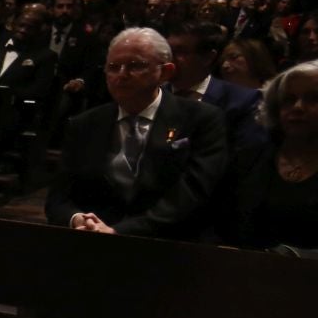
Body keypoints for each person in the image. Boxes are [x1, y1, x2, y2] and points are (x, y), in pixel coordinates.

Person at [46, 27, 228, 239]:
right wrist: (78, 219)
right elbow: (58, 199)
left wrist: (120, 232)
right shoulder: (85, 123)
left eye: (135, 66)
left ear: (166, 72)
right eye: (113, 67)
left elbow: (192, 194)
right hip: (94, 240)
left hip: (170, 244)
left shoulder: (202, 119)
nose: (121, 75)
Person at [219, 61, 318, 253]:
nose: (297, 107)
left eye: (313, 99)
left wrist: (292, 256)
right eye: (288, 100)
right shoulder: (248, 158)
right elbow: (220, 222)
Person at [167, 22, 264, 151]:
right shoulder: (152, 93)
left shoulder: (243, 101)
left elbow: (245, 159)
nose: (168, 58)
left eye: (180, 52)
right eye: (167, 51)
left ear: (208, 58)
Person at [0, 5, 60, 110]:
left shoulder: (45, 56)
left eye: (29, 27)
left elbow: (39, 90)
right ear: (13, 25)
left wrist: (8, 93)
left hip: (17, 111)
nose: (23, 30)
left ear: (38, 31)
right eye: (21, 25)